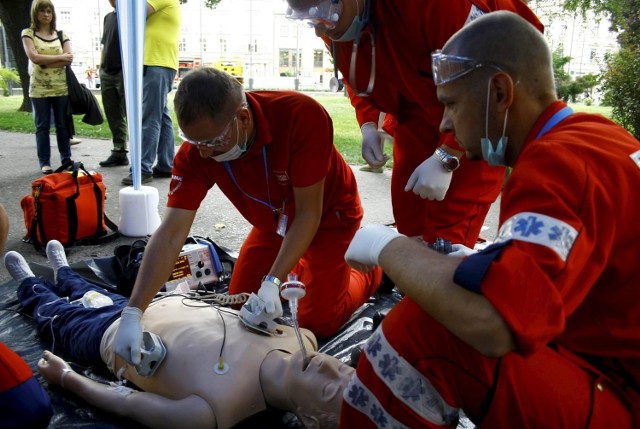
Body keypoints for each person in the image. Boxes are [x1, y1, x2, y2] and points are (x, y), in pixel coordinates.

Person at [341, 11, 640, 427]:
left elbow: (494, 324)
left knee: (426, 331)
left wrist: (385, 246)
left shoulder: (557, 162)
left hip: (623, 392)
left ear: (500, 93)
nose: (443, 122)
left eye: (450, 103)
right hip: (612, 361)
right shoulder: (595, 136)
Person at [112, 68, 382, 371]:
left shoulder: (301, 115)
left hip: (328, 218)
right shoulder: (198, 151)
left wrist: (273, 279)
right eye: (193, 141)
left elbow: (308, 212)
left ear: (243, 118)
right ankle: (301, 266)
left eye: (213, 142)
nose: (203, 153)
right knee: (240, 307)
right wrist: (133, 312)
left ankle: (375, 268)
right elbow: (172, 233)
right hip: (273, 224)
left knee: (318, 321)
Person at [3, 241, 354, 429]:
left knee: (58, 315)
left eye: (327, 388)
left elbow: (127, 404)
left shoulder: (214, 412)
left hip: (110, 338)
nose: (326, 366)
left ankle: (30, 285)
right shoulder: (301, 337)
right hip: (147, 307)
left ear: (309, 420)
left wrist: (66, 378)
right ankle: (64, 271)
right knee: (97, 293)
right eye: (342, 368)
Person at [286, 0, 542, 249]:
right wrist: (368, 125)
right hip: (415, 111)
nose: (321, 29)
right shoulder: (337, 20)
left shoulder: (434, 5)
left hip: (481, 116)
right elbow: (356, 71)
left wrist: (447, 156)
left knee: (446, 238)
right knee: (410, 224)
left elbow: (489, 77)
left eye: (325, 15)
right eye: (311, 21)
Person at [121, 0, 181, 185]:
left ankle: (142, 168)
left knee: (149, 117)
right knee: (161, 115)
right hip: (159, 62)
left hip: (155, 61)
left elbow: (132, 13)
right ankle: (165, 164)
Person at [21, 0, 74, 175]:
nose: (46, 14)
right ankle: (45, 162)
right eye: (42, 11)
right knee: (42, 126)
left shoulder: (61, 34)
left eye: (49, 11)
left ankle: (66, 159)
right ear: (35, 13)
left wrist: (44, 61)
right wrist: (57, 59)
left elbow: (69, 58)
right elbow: (34, 58)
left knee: (62, 125)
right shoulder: (28, 34)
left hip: (61, 87)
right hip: (39, 88)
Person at [98, 0, 129, 167]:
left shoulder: (131, 16)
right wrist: (101, 67)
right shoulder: (108, 17)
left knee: (131, 114)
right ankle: (119, 152)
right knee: (113, 114)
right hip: (107, 72)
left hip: (124, 71)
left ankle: (142, 158)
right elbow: (105, 45)